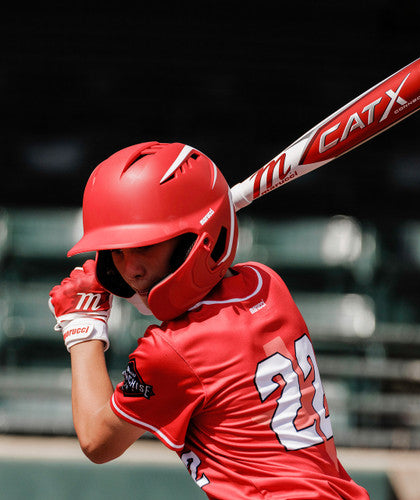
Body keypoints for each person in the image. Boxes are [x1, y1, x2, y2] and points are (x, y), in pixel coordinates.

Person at [49, 141, 370, 499]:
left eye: (145, 246)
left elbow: (98, 440)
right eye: (116, 253)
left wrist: (83, 324)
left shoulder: (174, 349)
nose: (131, 270)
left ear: (194, 242)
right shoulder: (266, 284)